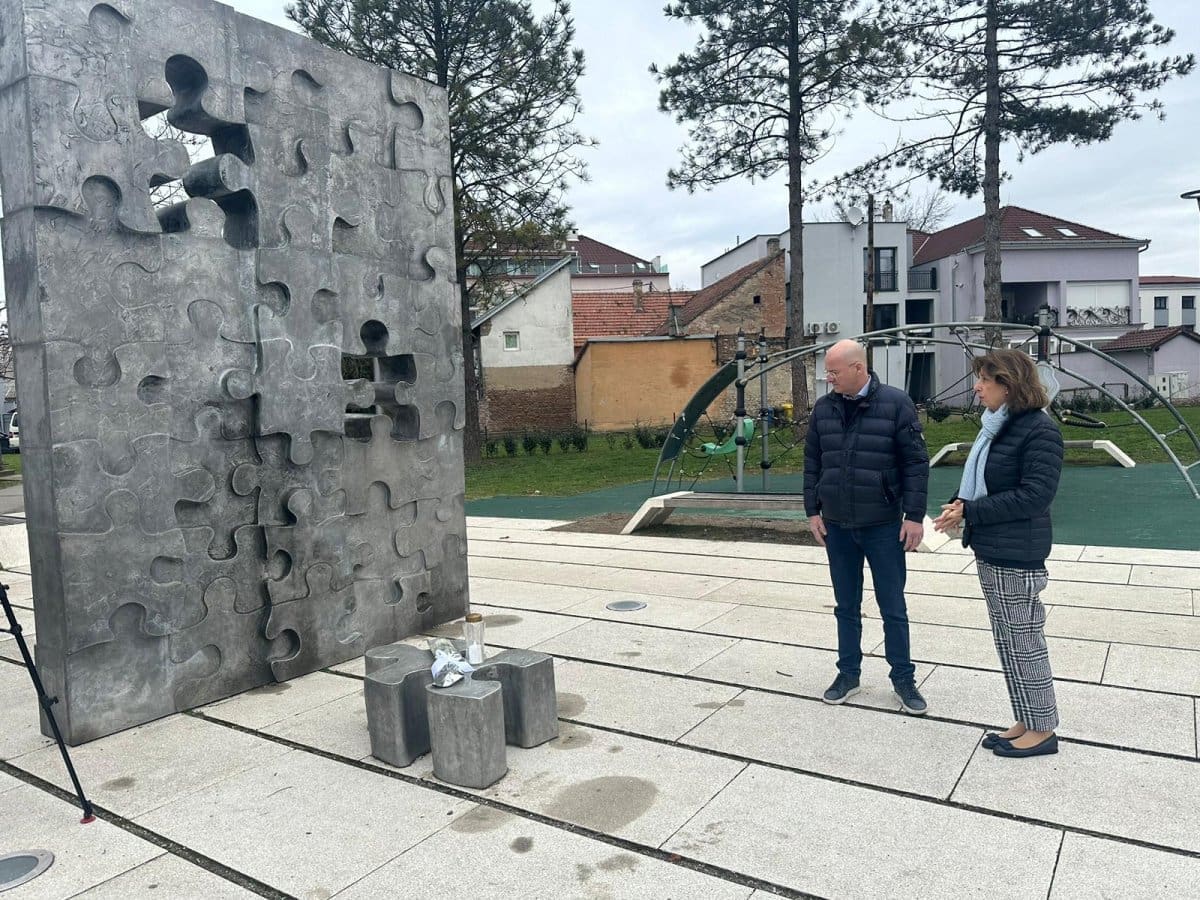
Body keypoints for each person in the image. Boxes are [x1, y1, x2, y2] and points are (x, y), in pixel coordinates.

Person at [932, 349, 1064, 759]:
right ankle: (1026, 717)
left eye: (985, 380)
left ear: (1009, 385)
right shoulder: (998, 426)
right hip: (992, 547)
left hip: (1017, 553)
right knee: (1008, 642)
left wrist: (971, 510)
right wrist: (959, 504)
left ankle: (1043, 730)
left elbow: (1034, 496)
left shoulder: (1039, 431)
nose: (977, 387)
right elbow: (984, 480)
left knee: (1025, 642)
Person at [804, 340, 930, 714]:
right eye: (827, 371)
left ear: (858, 368)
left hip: (883, 526)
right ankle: (848, 674)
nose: (828, 378)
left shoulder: (896, 404)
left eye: (834, 372)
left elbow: (916, 463)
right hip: (837, 526)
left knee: (893, 606)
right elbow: (812, 462)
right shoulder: (824, 409)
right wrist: (813, 511)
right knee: (846, 606)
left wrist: (914, 516)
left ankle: (903, 678)